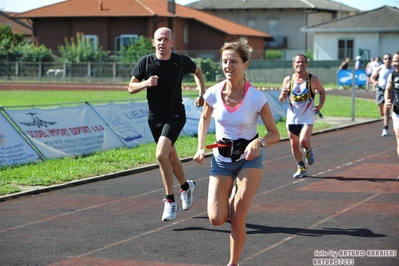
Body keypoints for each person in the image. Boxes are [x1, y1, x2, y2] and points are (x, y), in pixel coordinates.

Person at [192, 38, 280, 266]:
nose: (228, 66)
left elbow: (274, 133)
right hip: (221, 160)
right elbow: (204, 118)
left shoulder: (256, 97)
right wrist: (200, 147)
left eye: (233, 61)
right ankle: (232, 195)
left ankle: (233, 262)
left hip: (249, 160)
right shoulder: (213, 93)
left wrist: (259, 142)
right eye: (224, 61)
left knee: (238, 214)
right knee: (216, 218)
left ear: (245, 64)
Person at [128, 27, 206, 221]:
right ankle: (186, 187)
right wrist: (144, 83)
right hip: (154, 118)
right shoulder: (145, 62)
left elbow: (198, 72)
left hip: (175, 115)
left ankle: (170, 200)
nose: (162, 43)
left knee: (160, 154)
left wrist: (201, 93)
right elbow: (130, 87)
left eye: (166, 39)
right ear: (153, 42)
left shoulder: (180, 61)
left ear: (172, 43)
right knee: (170, 157)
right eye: (159, 39)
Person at [279, 54, 327, 178]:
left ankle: (308, 150)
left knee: (303, 141)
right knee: (294, 144)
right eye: (298, 62)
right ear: (293, 65)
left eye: (303, 62)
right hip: (292, 117)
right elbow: (282, 99)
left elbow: (322, 92)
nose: (300, 64)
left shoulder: (313, 79)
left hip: (307, 116)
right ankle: (301, 167)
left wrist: (320, 104)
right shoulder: (288, 80)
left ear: (306, 64)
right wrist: (283, 94)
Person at [370, 53, 395, 137]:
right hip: (380, 90)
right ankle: (385, 115)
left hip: (390, 91)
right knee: (382, 111)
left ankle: (385, 128)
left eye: (389, 58)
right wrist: (375, 82)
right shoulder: (380, 68)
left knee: (386, 109)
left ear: (391, 60)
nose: (387, 60)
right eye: (385, 59)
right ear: (383, 60)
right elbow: (372, 77)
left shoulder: (394, 69)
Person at [384, 51, 399, 181]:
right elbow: (388, 90)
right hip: (397, 112)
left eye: (397, 61)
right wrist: (388, 100)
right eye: (394, 61)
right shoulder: (393, 75)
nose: (395, 63)